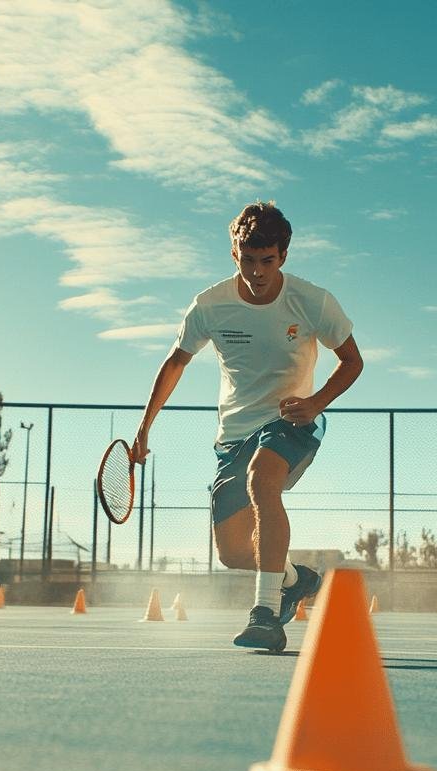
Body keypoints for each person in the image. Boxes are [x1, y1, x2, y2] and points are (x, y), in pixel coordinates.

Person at [132, 202, 362, 653]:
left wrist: (316, 403)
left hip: (290, 421)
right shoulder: (210, 305)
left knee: (262, 480)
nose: (257, 271)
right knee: (234, 552)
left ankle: (264, 614)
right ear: (234, 253)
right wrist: (144, 429)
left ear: (283, 256)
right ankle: (295, 579)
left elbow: (352, 361)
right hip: (234, 434)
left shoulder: (312, 301)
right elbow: (175, 362)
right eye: (248, 259)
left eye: (267, 260)